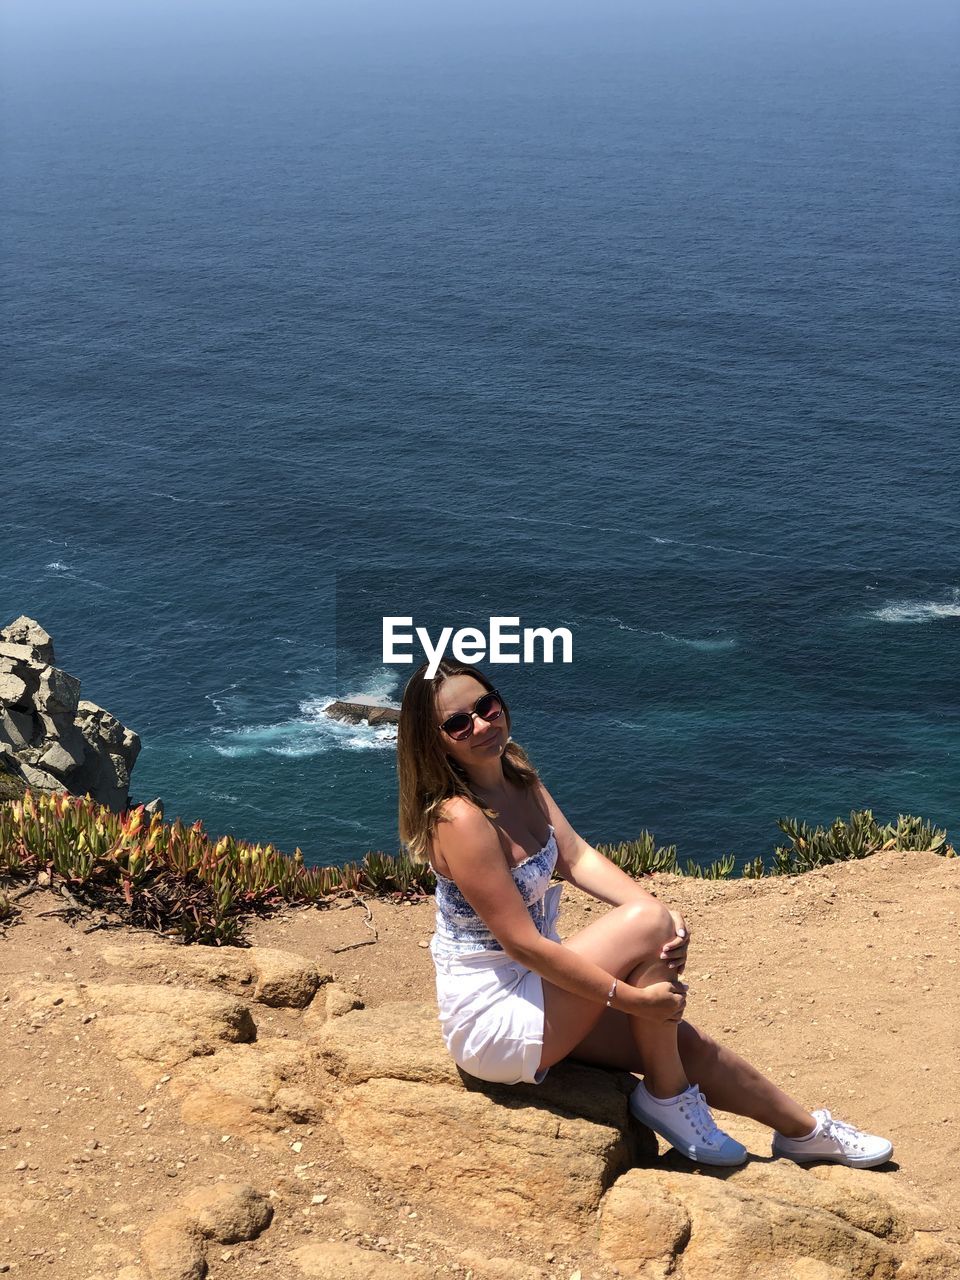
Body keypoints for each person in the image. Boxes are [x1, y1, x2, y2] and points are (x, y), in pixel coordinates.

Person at [396, 658, 893, 1168]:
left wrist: (656, 912)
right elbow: (523, 943)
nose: (481, 725)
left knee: (680, 1040)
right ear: (433, 741)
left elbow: (576, 856)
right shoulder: (460, 818)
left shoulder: (516, 776)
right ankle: (667, 1095)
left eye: (486, 706)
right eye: (458, 723)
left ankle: (802, 1131)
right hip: (494, 1016)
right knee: (649, 938)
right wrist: (632, 997)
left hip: (539, 986)